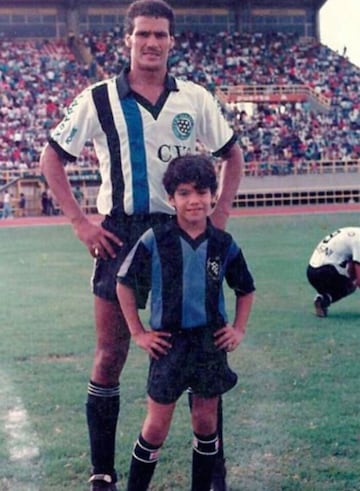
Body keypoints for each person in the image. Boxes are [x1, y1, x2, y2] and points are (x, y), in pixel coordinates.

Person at [39, 1, 244, 489]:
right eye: (143, 34)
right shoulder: (98, 98)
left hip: (186, 233)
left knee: (203, 351)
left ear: (172, 42)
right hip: (123, 232)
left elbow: (232, 155)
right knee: (110, 354)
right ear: (127, 40)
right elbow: (52, 158)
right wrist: (81, 224)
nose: (152, 42)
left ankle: (212, 470)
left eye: (160, 35)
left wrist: (218, 218)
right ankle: (103, 471)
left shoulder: (194, 98)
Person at [116, 155, 255, 491]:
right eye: (184, 193)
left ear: (212, 194)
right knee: (156, 426)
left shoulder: (223, 243)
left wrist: (237, 329)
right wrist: (138, 333)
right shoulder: (155, 240)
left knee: (205, 422)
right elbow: (124, 284)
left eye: (202, 191)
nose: (194, 200)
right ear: (171, 198)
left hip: (209, 342)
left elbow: (245, 289)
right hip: (168, 343)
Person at [306, 227, 360, 317]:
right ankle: (324, 299)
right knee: (352, 283)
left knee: (351, 275)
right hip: (326, 272)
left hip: (311, 271)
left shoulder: (354, 232)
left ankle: (323, 300)